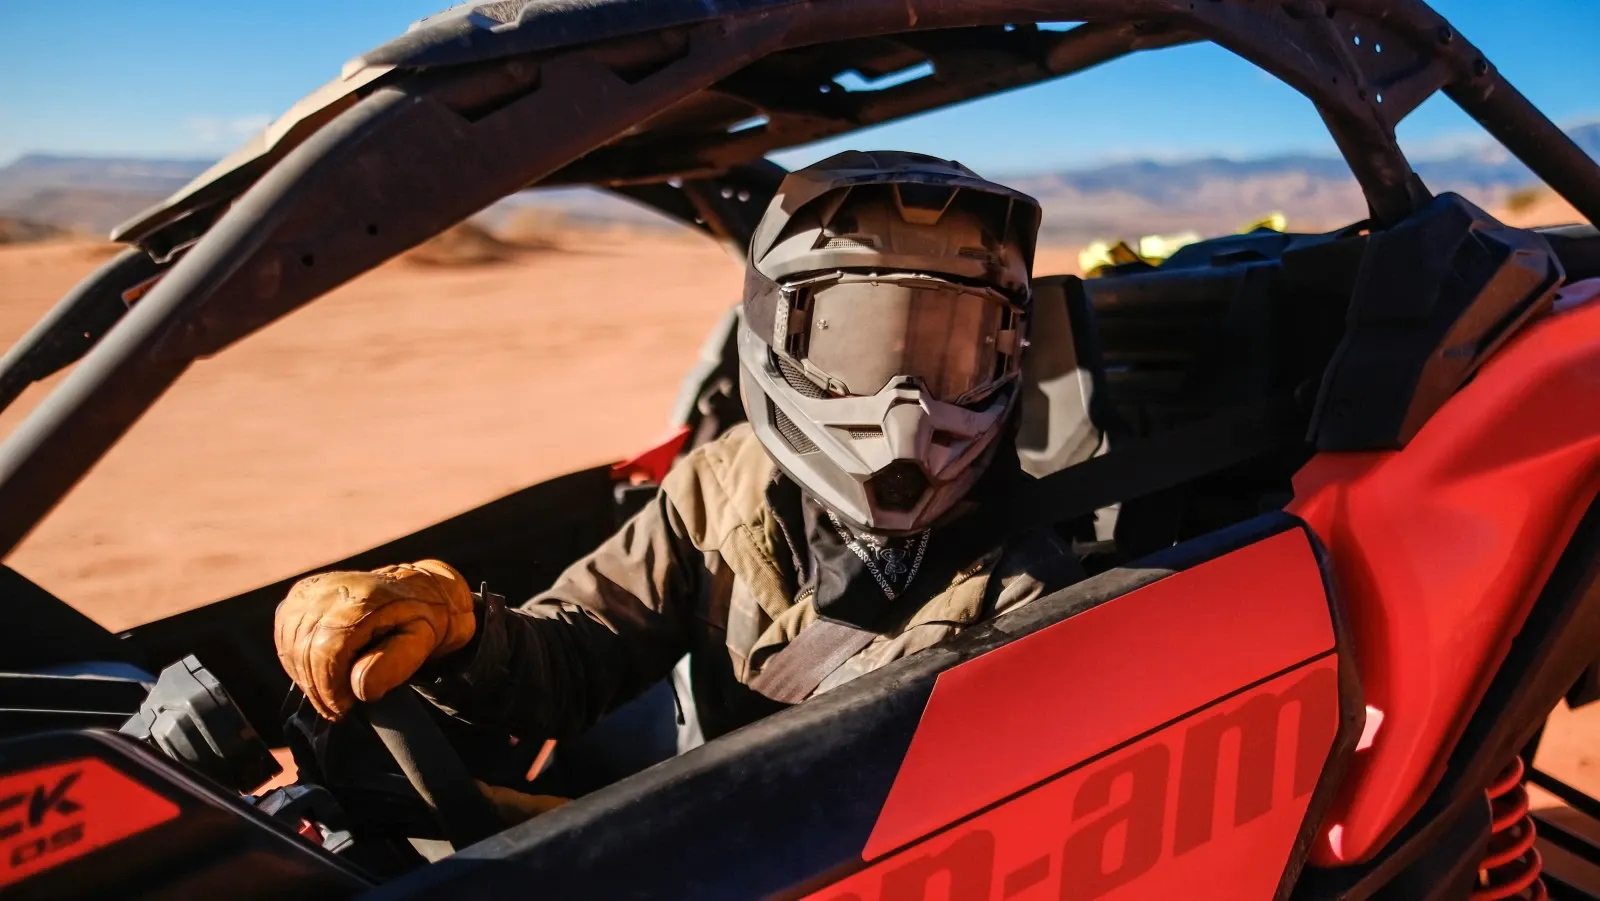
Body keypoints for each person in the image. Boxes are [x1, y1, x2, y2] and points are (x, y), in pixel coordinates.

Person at [274, 150, 1085, 770]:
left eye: (950, 350)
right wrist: (464, 635)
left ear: (1008, 349)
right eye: (859, 337)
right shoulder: (721, 484)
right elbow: (587, 647)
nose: (904, 405)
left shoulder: (1028, 585)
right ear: (777, 330)